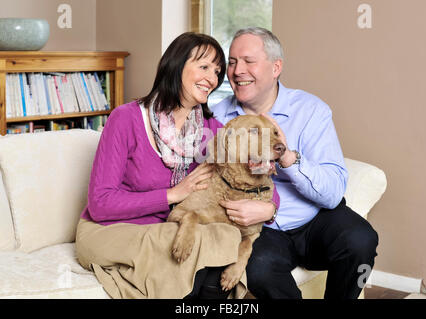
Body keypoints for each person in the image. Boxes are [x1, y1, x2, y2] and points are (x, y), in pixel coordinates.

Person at [75, 31, 279, 299]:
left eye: (217, 71)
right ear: (176, 65)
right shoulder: (125, 119)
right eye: (204, 67)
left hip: (174, 227)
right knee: (201, 245)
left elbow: (259, 181)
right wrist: (173, 194)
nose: (212, 78)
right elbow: (101, 204)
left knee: (219, 243)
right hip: (113, 229)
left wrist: (268, 207)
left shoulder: (212, 130)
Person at [212, 27, 379, 299]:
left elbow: (333, 193)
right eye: (232, 62)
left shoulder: (311, 110)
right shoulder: (218, 118)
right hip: (260, 230)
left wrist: (288, 157)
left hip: (313, 218)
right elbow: (210, 183)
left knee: (361, 240)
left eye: (248, 61)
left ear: (276, 67)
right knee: (259, 269)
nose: (237, 70)